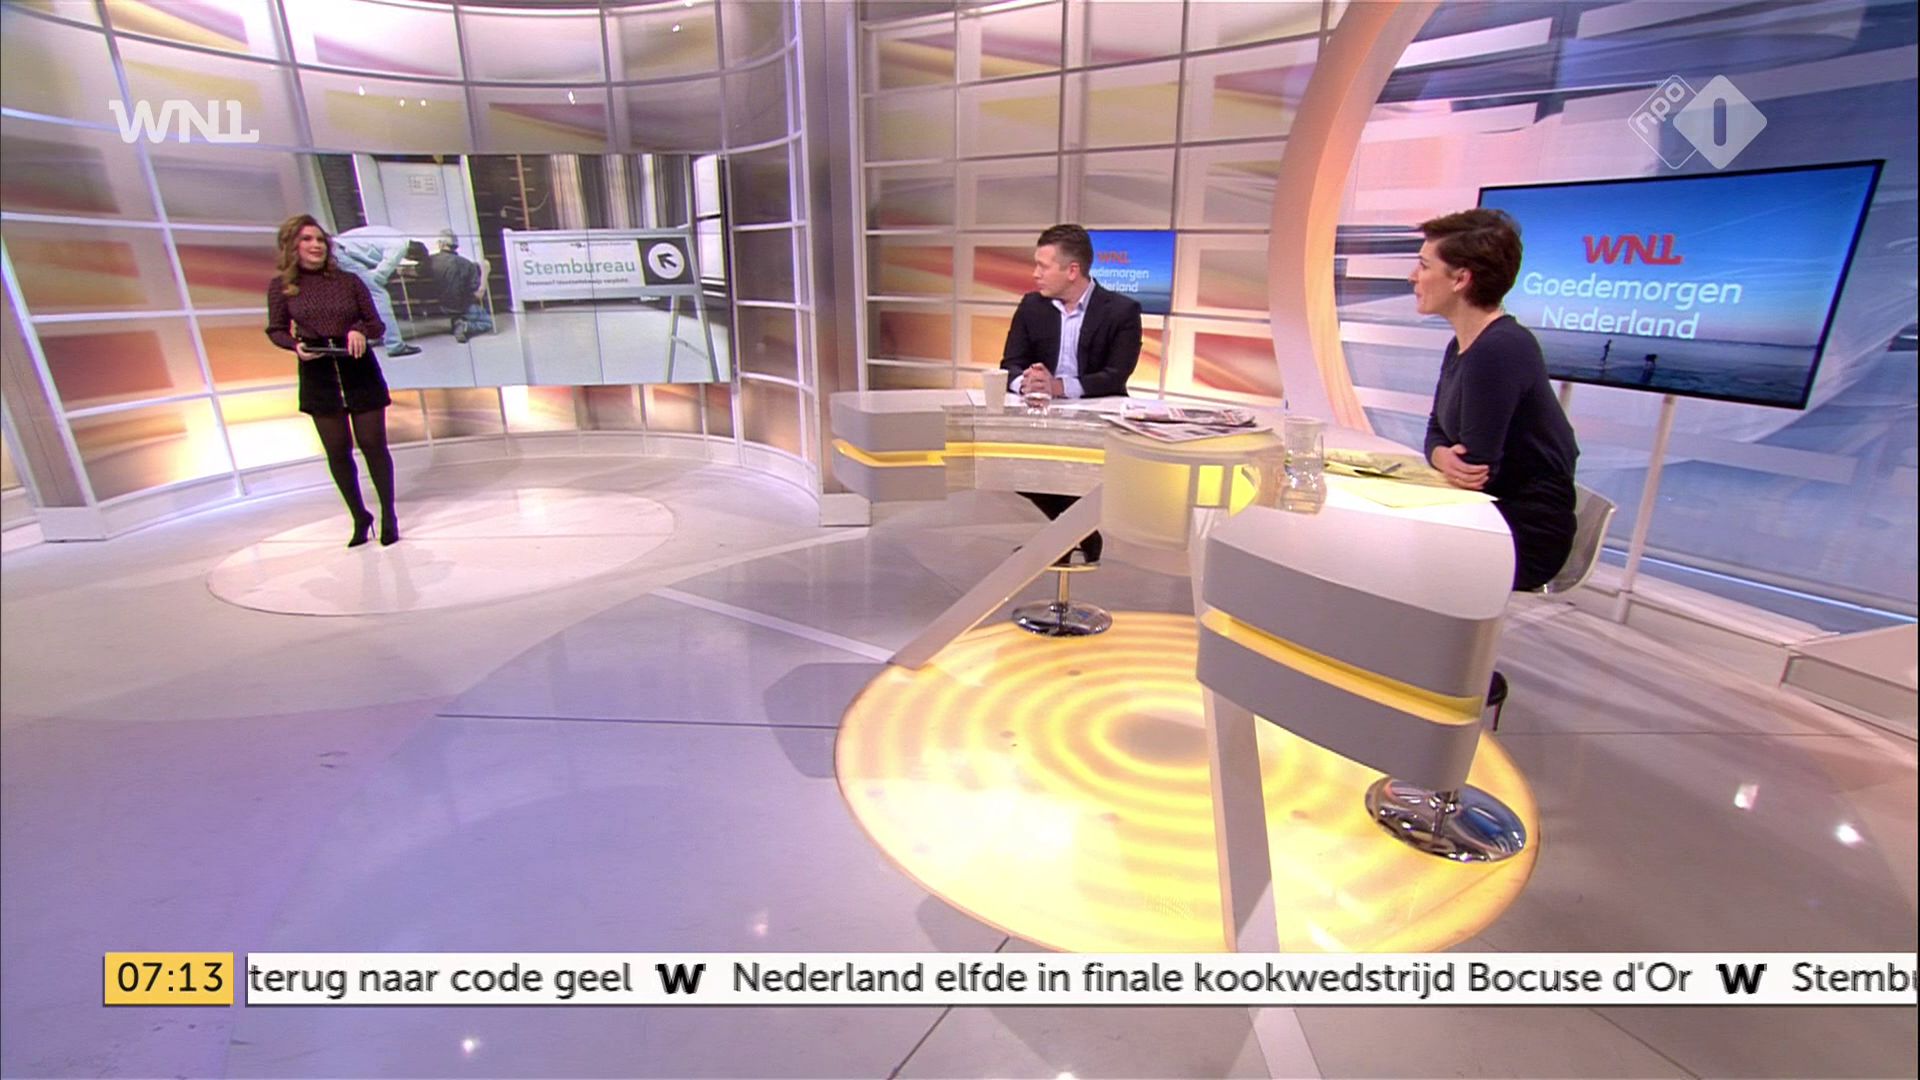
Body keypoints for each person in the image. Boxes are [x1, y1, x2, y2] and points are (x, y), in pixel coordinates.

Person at [1411, 208, 1579, 590]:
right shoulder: (1461, 344)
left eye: (1424, 266)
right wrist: (1441, 455)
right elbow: (1436, 431)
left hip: (1520, 533)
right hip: (1485, 512)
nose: (1413, 277)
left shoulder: (1499, 349)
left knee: (1387, 548)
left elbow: (1476, 471)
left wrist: (1448, 458)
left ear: (1461, 279)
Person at [999, 224, 1143, 565]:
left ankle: (1064, 540)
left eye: (1043, 266)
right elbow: (1010, 364)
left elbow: (1115, 376)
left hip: (1094, 418)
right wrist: (1027, 383)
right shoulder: (1032, 306)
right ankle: (1080, 534)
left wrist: (1059, 387)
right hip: (1040, 415)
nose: (1035, 274)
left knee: (1070, 474)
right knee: (1008, 464)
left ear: (1072, 270)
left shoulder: (1121, 311)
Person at [265, 214, 401, 547]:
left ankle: (388, 515)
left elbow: (376, 324)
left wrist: (359, 330)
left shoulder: (349, 281)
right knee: (338, 451)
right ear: (292, 246)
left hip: (358, 368)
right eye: (307, 239)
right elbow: (276, 329)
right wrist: (295, 346)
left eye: (320, 239)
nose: (316, 245)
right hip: (319, 372)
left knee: (373, 445)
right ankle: (359, 516)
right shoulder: (282, 287)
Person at [331, 225, 421, 357]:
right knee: (379, 295)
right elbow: (379, 276)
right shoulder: (400, 247)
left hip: (338, 248)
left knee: (363, 296)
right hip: (343, 254)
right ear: (413, 254)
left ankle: (375, 334)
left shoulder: (398, 235)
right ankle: (394, 345)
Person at [425, 229, 488, 343]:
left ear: (441, 244)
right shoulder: (467, 264)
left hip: (438, 306)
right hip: (463, 307)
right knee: (487, 323)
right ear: (456, 245)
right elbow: (478, 294)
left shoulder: (429, 261)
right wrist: (484, 273)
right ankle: (465, 325)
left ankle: (458, 321)